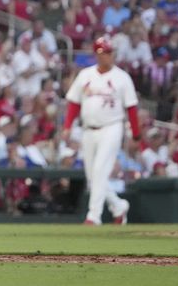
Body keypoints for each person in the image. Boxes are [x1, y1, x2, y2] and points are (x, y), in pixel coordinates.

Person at [62, 37, 140, 226]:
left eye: (110, 52)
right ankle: (118, 206)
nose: (108, 56)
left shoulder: (122, 77)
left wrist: (136, 134)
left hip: (112, 127)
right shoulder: (86, 75)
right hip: (88, 129)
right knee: (92, 176)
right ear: (97, 54)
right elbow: (74, 102)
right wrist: (67, 125)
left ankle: (93, 216)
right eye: (104, 52)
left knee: (99, 171)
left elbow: (131, 108)